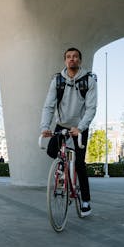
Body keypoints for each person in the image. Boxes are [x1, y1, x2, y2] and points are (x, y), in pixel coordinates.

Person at [40, 47, 97, 216]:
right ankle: (63, 167)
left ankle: (85, 200)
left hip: (80, 126)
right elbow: (49, 106)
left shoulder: (89, 81)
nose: (72, 59)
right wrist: (45, 127)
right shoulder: (57, 80)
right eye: (68, 57)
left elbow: (91, 108)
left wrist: (80, 127)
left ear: (80, 60)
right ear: (65, 61)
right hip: (62, 125)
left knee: (79, 163)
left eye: (75, 57)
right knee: (51, 150)